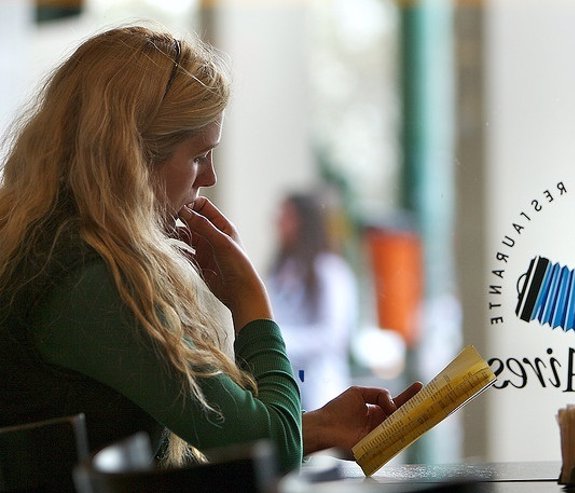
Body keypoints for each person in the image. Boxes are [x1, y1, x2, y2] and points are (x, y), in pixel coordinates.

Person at [0, 25, 421, 473]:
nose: (209, 179)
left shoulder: (44, 251)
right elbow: (268, 451)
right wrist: (251, 303)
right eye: (199, 155)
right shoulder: (89, 281)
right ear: (133, 156)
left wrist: (315, 427)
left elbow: (239, 434)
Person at [268, 192, 357, 410]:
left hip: (320, 390)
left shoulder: (330, 271)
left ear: (305, 223)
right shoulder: (281, 270)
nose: (278, 221)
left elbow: (333, 335)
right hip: (284, 389)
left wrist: (278, 339)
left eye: (287, 215)